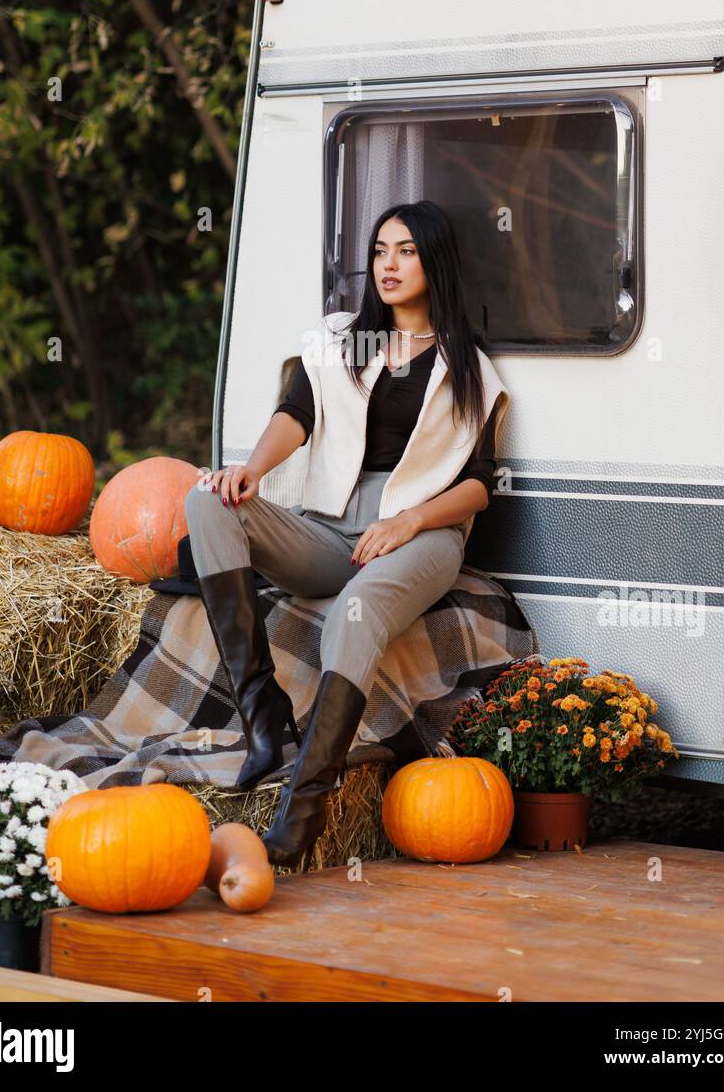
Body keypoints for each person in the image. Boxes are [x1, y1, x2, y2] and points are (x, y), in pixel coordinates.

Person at [184, 199, 511, 870]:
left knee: (357, 612)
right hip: (331, 531)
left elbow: (481, 483)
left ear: (435, 261)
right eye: (380, 251)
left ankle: (302, 812)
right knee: (207, 499)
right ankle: (265, 722)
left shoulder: (468, 365)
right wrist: (249, 470)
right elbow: (294, 415)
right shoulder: (338, 339)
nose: (387, 266)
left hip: (423, 535)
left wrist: (410, 520)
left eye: (406, 252)